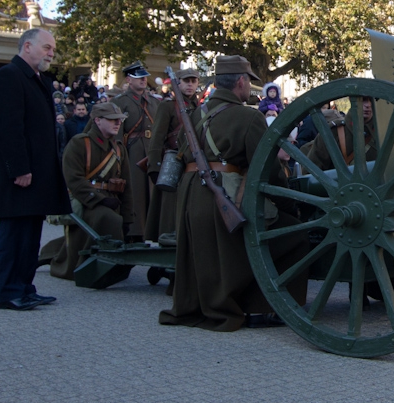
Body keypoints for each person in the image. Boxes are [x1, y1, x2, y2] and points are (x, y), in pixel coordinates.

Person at [159, 55, 308, 331]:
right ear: (240, 82)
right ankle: (262, 307)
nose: (249, 87)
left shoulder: (195, 114)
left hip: (192, 199)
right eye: (248, 82)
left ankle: (199, 303)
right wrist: (290, 205)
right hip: (226, 199)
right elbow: (268, 170)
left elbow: (181, 152)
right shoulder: (249, 116)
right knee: (296, 235)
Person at [0, 28, 71, 311]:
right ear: (27, 47)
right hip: (20, 175)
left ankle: (24, 287)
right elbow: (8, 128)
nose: (51, 53)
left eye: (52, 49)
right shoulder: (10, 76)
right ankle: (9, 291)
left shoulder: (38, 80)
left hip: (37, 174)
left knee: (30, 234)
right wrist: (19, 168)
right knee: (14, 234)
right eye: (46, 47)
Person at [40, 103, 133, 280]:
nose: (117, 124)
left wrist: (129, 216)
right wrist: (99, 199)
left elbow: (127, 186)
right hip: (86, 201)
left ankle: (51, 254)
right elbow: (73, 179)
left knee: (115, 222)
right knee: (107, 218)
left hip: (112, 200)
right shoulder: (80, 143)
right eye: (112, 120)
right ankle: (95, 266)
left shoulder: (119, 148)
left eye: (119, 120)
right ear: (97, 120)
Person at [145, 68, 200, 243]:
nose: (190, 85)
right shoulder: (167, 106)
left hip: (192, 164)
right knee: (168, 210)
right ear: (179, 83)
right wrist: (154, 166)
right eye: (186, 81)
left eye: (193, 81)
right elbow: (157, 138)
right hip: (172, 162)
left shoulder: (199, 107)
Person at [112, 61, 159, 241]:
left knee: (152, 192)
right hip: (132, 153)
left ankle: (151, 229)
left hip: (151, 151)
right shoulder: (120, 102)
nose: (143, 81)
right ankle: (135, 231)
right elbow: (117, 134)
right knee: (136, 192)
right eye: (139, 78)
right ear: (129, 79)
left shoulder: (154, 103)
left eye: (144, 77)